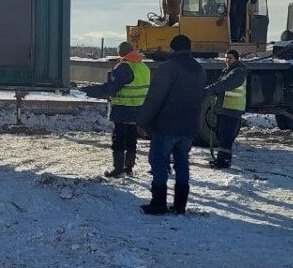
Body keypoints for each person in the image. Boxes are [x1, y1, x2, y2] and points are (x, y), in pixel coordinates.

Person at [136, 35, 207, 215]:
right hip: (188, 126)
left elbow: (155, 98)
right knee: (182, 163)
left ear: (172, 48)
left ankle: (159, 203)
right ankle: (180, 204)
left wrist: (142, 121)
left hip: (167, 126)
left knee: (158, 161)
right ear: (189, 48)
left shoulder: (168, 68)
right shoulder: (199, 69)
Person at [81, 42, 150, 178]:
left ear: (121, 53)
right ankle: (129, 168)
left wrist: (85, 91)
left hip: (123, 109)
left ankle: (118, 168)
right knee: (132, 139)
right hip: (138, 109)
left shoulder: (124, 67)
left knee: (118, 139)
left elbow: (110, 89)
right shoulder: (143, 67)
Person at [205, 49, 249, 169]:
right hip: (225, 108)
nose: (227, 60)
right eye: (226, 57)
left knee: (226, 136)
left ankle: (224, 161)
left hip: (232, 109)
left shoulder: (238, 72)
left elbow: (226, 83)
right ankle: (221, 159)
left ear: (236, 59)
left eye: (230, 58)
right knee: (221, 134)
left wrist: (211, 89)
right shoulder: (228, 71)